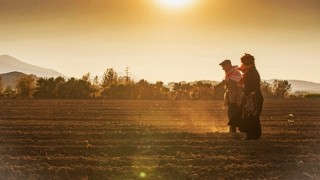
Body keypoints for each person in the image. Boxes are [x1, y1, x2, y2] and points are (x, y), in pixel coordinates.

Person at [238, 53, 264, 140]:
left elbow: (250, 86)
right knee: (252, 115)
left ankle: (252, 135)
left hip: (253, 97)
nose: (243, 65)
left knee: (251, 115)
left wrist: (245, 93)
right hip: (253, 97)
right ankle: (254, 135)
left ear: (249, 64)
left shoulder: (252, 73)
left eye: (244, 63)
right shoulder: (251, 72)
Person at [219, 59, 243, 133]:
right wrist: (215, 87)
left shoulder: (236, 73)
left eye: (223, 66)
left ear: (228, 65)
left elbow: (240, 87)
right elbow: (224, 82)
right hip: (230, 98)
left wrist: (239, 100)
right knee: (231, 114)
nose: (222, 68)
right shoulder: (229, 74)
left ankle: (233, 130)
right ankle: (233, 130)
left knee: (232, 114)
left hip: (235, 99)